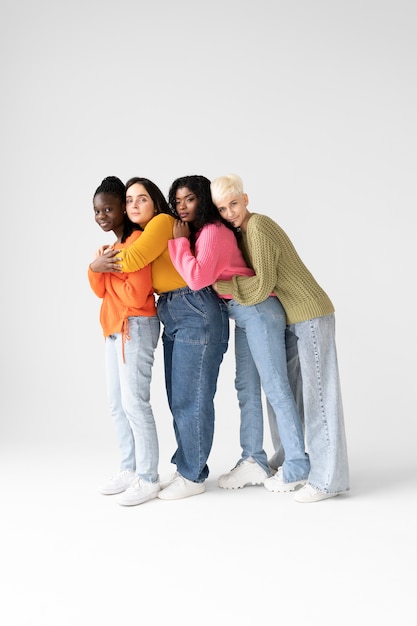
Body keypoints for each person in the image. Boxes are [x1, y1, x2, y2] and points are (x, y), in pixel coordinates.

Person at [210, 173, 349, 503]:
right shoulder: (241, 233)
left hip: (310, 313)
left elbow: (260, 287)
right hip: (290, 319)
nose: (230, 212)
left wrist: (224, 288)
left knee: (319, 398)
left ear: (245, 199)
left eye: (234, 203)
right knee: (290, 394)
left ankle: (328, 480)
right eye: (222, 208)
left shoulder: (257, 227)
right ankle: (291, 460)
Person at [97, 177, 227, 500]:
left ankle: (193, 474)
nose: (133, 205)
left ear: (155, 202)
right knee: (178, 395)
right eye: (128, 201)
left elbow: (131, 260)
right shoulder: (146, 232)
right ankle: (187, 467)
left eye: (141, 198)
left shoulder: (162, 222)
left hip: (192, 305)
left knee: (190, 395)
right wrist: (101, 267)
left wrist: (100, 264)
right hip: (172, 308)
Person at [88, 176, 161, 507]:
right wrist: (96, 267)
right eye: (97, 210)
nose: (102, 215)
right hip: (113, 330)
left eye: (108, 208)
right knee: (118, 405)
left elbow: (134, 294)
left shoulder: (137, 242)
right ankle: (129, 468)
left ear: (122, 209)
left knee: (136, 404)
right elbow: (99, 290)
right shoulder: (111, 250)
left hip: (136, 325)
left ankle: (148, 478)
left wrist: (107, 269)